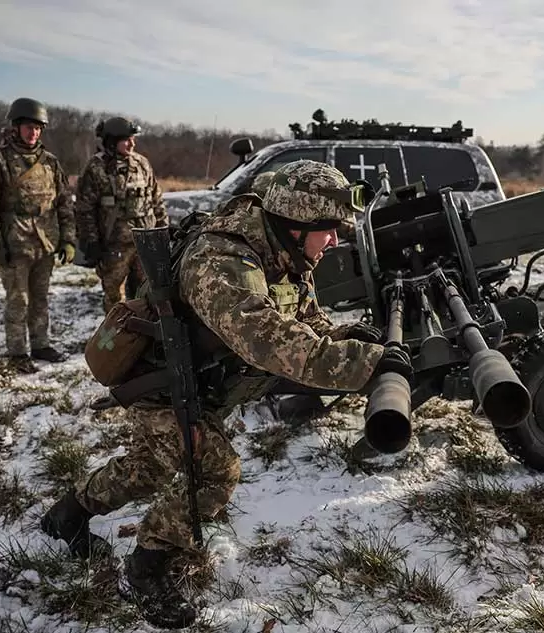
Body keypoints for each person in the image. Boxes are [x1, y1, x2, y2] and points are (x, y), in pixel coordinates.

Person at [39, 159, 410, 628]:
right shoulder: (221, 264)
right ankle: (146, 570)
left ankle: (65, 516)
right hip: (160, 390)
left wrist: (349, 338)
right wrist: (366, 364)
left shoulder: (287, 254)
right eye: (330, 229)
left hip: (197, 387)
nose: (336, 240)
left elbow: (305, 326)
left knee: (149, 467)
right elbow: (273, 344)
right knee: (216, 472)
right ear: (297, 225)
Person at [0, 98, 76, 374]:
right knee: (18, 300)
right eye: (29, 127)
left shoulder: (51, 163)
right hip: (14, 244)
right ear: (16, 127)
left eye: (39, 128)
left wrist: (68, 239)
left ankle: (41, 344)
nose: (34, 133)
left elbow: (64, 203)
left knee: (40, 297)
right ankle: (18, 352)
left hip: (45, 242)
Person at [75, 116, 169, 314]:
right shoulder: (95, 168)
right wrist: (90, 240)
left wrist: (163, 230)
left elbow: (156, 199)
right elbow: (85, 209)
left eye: (133, 138)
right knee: (115, 299)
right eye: (126, 139)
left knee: (149, 295)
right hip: (114, 246)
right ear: (111, 141)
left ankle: (146, 339)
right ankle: (119, 340)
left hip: (145, 243)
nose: (132, 143)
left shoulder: (142, 164)